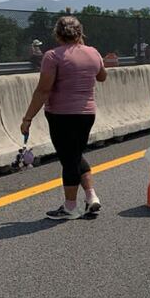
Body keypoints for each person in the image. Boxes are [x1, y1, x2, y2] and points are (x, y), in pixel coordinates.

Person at [20, 16, 106, 220]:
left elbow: (43, 90)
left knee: (69, 159)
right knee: (75, 154)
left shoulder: (52, 56)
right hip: (87, 114)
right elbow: (102, 77)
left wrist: (27, 118)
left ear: (58, 34)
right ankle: (91, 196)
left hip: (61, 115)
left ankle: (69, 207)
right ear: (80, 33)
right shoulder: (93, 52)